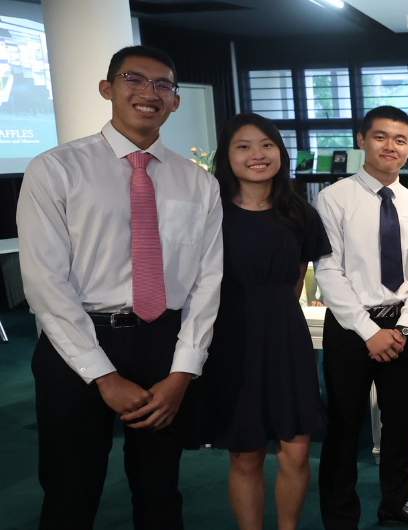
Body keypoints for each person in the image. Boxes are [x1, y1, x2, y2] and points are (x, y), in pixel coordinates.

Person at [18, 45, 223, 529]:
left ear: (175, 101)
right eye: (134, 79)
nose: (149, 92)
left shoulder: (198, 183)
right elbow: (45, 281)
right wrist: (103, 377)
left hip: (163, 344)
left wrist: (183, 372)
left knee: (160, 490)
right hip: (77, 342)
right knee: (70, 491)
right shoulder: (56, 168)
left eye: (163, 85)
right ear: (107, 89)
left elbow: (207, 282)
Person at [186, 113, 330, 530]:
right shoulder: (210, 213)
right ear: (226, 156)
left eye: (266, 145)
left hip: (286, 338)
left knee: (296, 452)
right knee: (245, 453)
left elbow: (295, 280)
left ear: (280, 152)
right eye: (243, 146)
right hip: (232, 339)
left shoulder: (299, 212)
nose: (257, 155)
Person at [314, 105, 408, 529]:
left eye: (400, 140)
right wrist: (370, 332)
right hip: (352, 328)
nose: (390, 146)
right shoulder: (333, 198)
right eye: (380, 136)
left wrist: (404, 328)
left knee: (401, 424)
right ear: (361, 141)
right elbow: (328, 272)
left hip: (404, 329)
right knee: (344, 426)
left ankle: (397, 502)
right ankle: (340, 516)